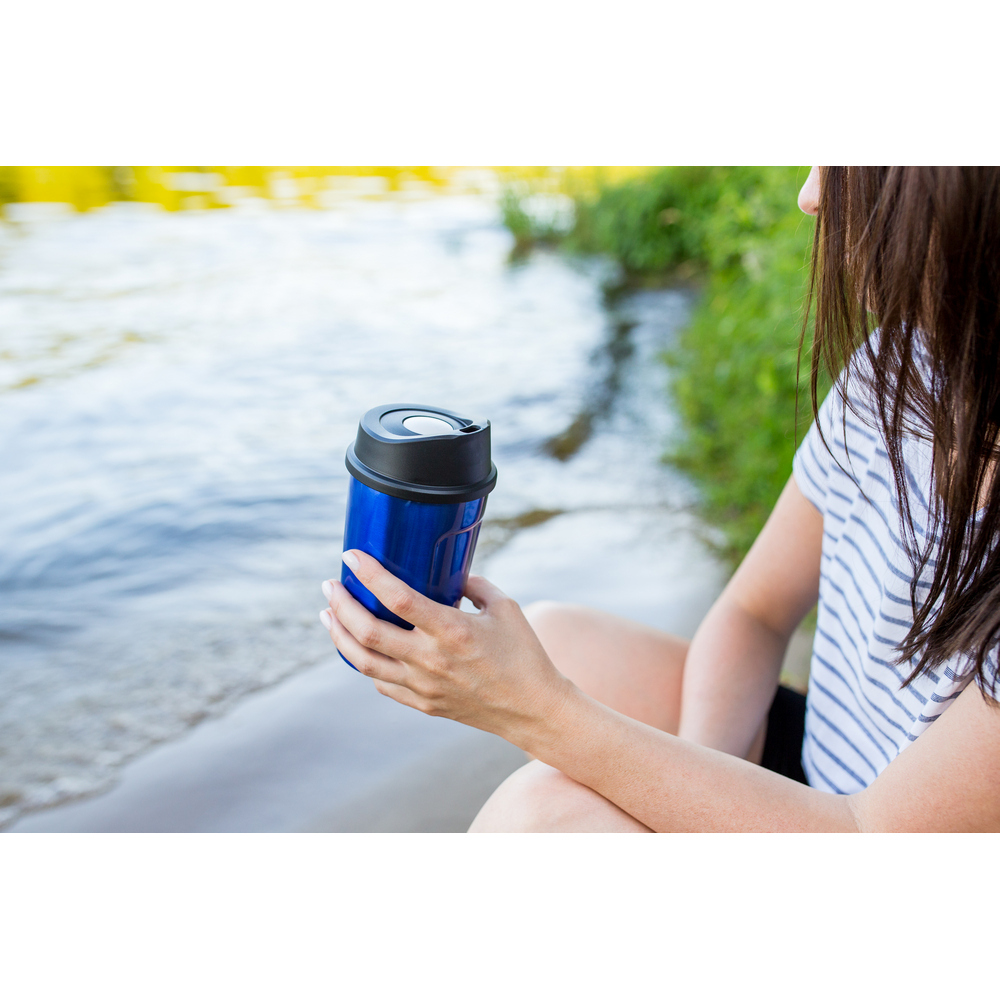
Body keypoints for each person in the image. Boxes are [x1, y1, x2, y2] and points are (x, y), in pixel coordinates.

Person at [319, 166, 1000, 832]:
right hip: (829, 769)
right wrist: (691, 792)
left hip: (867, 829)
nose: (811, 196)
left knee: (539, 816)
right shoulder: (903, 368)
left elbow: (866, 835)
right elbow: (756, 613)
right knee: (558, 638)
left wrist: (531, 708)